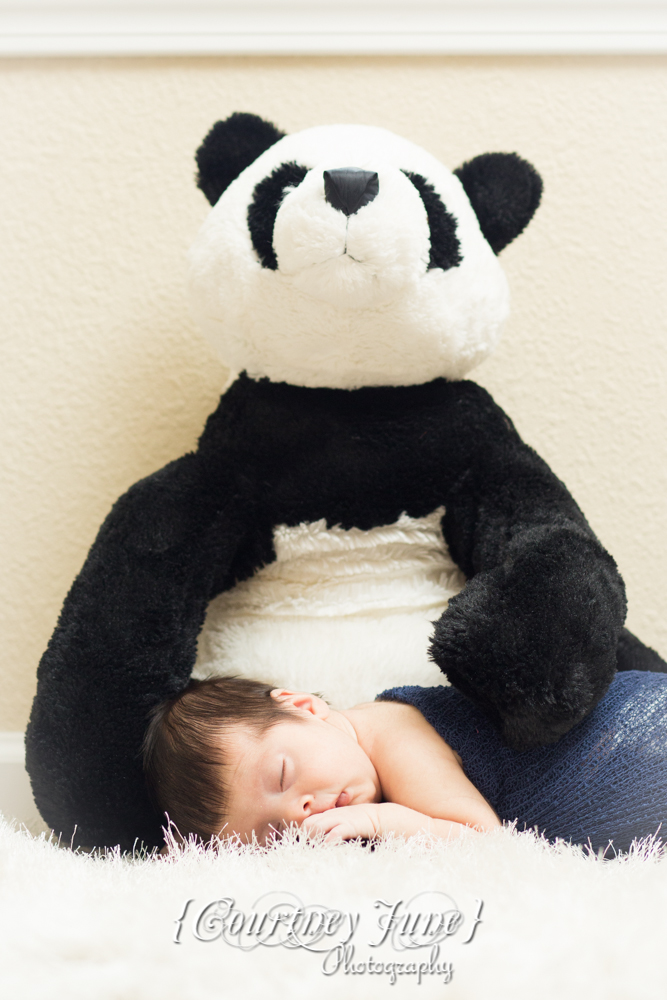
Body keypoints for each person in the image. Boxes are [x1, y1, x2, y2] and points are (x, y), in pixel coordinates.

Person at [143, 670, 667, 853]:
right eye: (273, 831)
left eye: (283, 775)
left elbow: (480, 836)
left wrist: (377, 819)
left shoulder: (391, 728)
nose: (301, 812)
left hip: (634, 740)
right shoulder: (355, 774)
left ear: (304, 708)